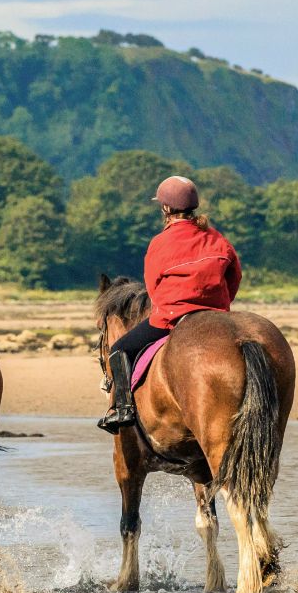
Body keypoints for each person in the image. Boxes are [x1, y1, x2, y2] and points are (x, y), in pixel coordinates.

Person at [98, 175, 243, 434]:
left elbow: (153, 287)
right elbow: (235, 276)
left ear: (166, 208)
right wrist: (220, 306)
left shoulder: (160, 242)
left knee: (119, 348)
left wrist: (168, 310)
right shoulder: (218, 239)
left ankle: (122, 409)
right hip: (216, 315)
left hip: (172, 317)